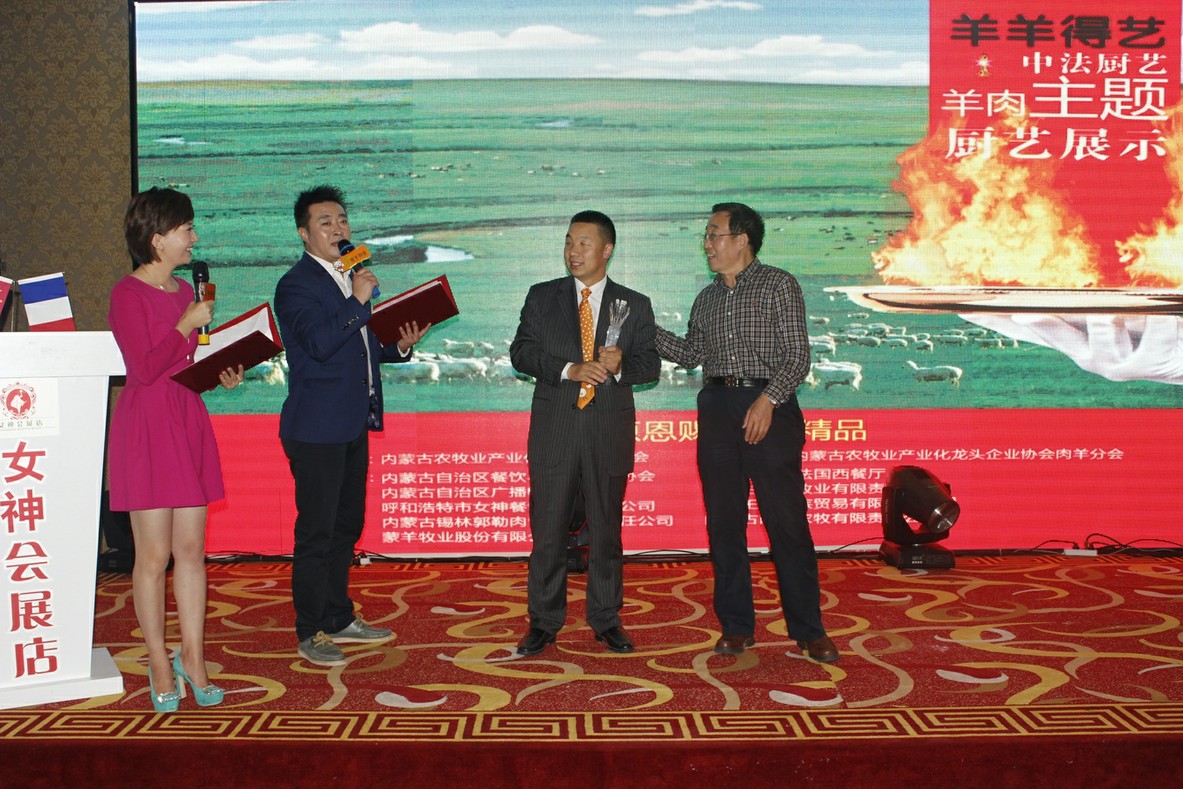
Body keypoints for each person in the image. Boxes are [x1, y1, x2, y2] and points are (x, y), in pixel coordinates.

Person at [655, 202, 839, 664]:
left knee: (787, 523)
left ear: (741, 240)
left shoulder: (779, 284)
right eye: (706, 235)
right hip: (718, 408)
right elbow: (691, 354)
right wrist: (645, 329)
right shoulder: (706, 298)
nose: (707, 243)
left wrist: (768, 399)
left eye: (714, 234)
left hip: (769, 407)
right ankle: (736, 626)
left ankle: (809, 629)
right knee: (724, 523)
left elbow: (798, 356)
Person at [275, 184, 429, 666]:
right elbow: (321, 343)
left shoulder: (348, 277)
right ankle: (310, 629)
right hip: (315, 428)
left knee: (347, 525)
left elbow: (360, 347)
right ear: (304, 234)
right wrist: (359, 298)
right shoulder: (296, 285)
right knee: (317, 532)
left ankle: (338, 615)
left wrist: (398, 345)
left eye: (342, 220)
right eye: (325, 222)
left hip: (350, 424)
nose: (338, 228)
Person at [108, 187, 245, 712]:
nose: (194, 238)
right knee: (153, 556)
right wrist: (185, 322)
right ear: (157, 238)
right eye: (186, 229)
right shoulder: (128, 294)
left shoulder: (185, 291)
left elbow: (186, 362)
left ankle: (194, 656)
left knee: (191, 551)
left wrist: (220, 371)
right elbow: (143, 369)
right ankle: (158, 661)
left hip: (186, 417)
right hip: (147, 425)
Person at [509, 210, 660, 655]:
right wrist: (569, 369)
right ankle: (544, 620)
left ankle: (606, 618)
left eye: (584, 243)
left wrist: (620, 367)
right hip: (555, 430)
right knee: (548, 532)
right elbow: (521, 352)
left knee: (606, 534)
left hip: (607, 431)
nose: (573, 252)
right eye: (569, 242)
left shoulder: (634, 303)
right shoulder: (543, 297)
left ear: (607, 250)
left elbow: (650, 365)